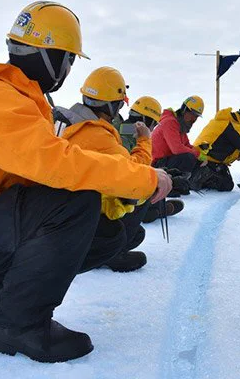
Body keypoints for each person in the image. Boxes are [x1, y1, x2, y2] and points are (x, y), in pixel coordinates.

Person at [0, 1, 172, 363]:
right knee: (75, 204)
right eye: (68, 59)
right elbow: (57, 163)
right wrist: (145, 179)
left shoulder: (19, 100)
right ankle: (21, 324)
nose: (67, 70)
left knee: (97, 228)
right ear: (52, 57)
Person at [53, 68, 166, 272]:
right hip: (76, 214)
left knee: (137, 233)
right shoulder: (97, 135)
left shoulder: (64, 119)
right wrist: (145, 140)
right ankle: (110, 254)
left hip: (57, 208)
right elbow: (132, 172)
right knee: (140, 193)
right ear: (113, 105)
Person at [114, 95, 186, 222]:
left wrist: (162, 172)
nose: (153, 129)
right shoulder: (128, 138)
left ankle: (153, 208)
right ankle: (151, 210)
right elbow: (130, 171)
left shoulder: (124, 130)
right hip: (116, 195)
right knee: (147, 191)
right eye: (154, 124)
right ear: (145, 121)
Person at [151, 96, 206, 174]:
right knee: (188, 158)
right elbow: (177, 149)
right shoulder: (170, 122)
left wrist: (202, 156)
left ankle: (187, 183)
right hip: (157, 165)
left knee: (194, 160)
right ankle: (178, 183)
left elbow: (187, 145)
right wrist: (197, 154)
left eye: (196, 116)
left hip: (166, 162)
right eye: (192, 114)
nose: (193, 119)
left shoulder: (180, 126)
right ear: (184, 110)